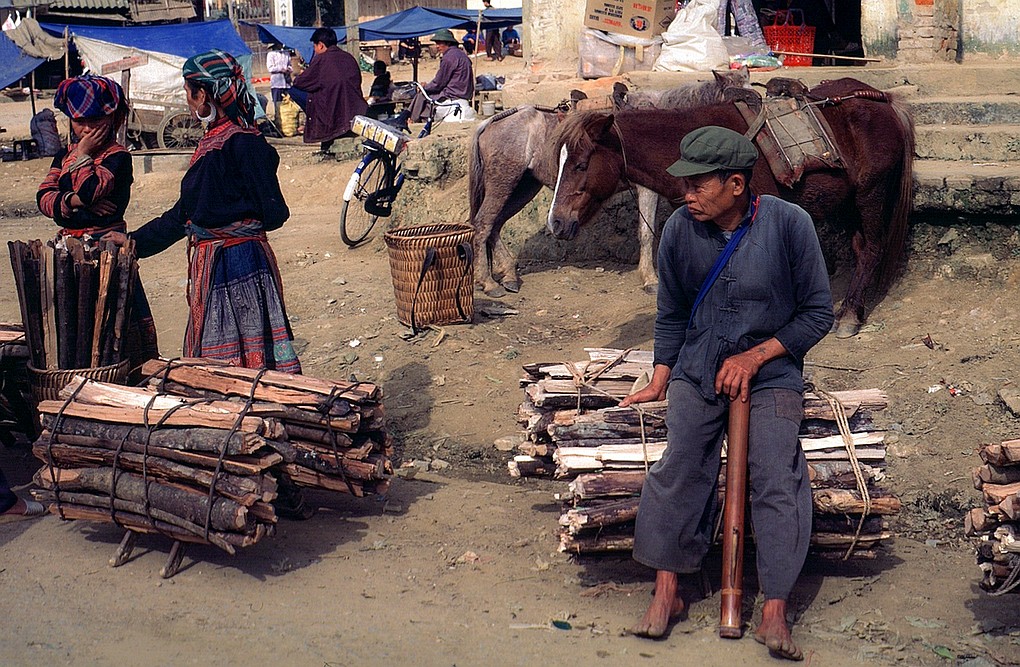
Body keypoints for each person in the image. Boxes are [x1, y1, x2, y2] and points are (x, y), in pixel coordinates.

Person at [620, 127, 833, 660]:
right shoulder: (678, 230)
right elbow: (672, 313)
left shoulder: (790, 225)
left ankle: (775, 609)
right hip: (698, 370)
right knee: (681, 463)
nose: (686, 194)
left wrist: (755, 357)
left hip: (772, 376)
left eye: (698, 185)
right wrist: (661, 376)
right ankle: (667, 591)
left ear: (736, 184)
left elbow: (817, 314)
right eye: (684, 184)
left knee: (776, 474)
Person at [108, 49, 301, 374]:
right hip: (238, 262)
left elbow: (271, 212)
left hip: (234, 265)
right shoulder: (233, 141)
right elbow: (187, 215)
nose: (187, 99)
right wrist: (132, 241)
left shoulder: (237, 144)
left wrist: (228, 229)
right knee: (246, 360)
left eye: (188, 91)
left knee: (228, 365)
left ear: (203, 95)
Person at [37, 74, 159, 370]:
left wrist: (81, 158)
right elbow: (43, 198)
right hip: (71, 254)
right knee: (75, 328)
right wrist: (73, 201)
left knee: (114, 327)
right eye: (80, 121)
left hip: (107, 253)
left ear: (113, 119)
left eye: (95, 120)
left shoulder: (118, 157)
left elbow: (90, 191)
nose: (88, 128)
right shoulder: (62, 156)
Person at [290, 27, 367, 154]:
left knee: (294, 91)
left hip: (331, 109)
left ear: (320, 45)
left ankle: (317, 121)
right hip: (354, 108)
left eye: (314, 47)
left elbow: (300, 82)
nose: (315, 50)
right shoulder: (348, 57)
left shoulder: (322, 59)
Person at [398, 28, 474, 124]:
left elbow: (439, 83)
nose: (437, 46)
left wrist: (425, 87)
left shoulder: (449, 58)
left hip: (452, 95)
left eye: (439, 43)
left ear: (448, 43)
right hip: (463, 93)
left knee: (422, 95)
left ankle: (412, 120)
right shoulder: (462, 55)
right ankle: (411, 117)